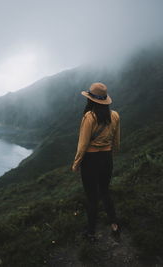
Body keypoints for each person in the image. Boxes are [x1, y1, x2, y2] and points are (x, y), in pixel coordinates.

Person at [71, 82, 120, 240]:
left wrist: (76, 163)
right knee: (105, 192)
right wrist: (112, 155)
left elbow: (83, 144)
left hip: (91, 161)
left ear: (90, 100)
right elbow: (116, 141)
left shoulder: (89, 117)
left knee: (92, 197)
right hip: (106, 159)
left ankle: (91, 232)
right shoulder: (115, 115)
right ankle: (114, 224)